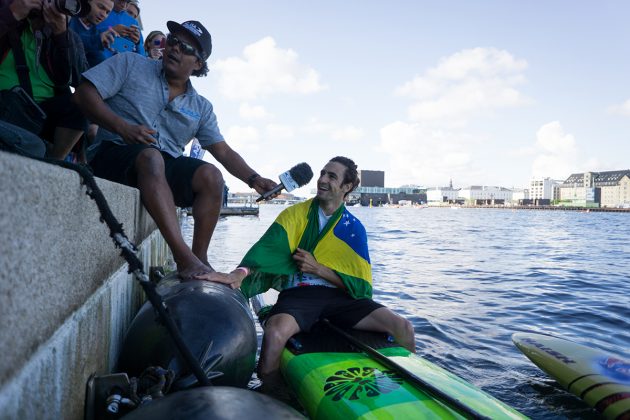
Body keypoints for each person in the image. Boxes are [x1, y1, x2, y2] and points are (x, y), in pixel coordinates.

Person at [72, 19, 278, 281]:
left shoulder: (201, 107)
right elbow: (83, 95)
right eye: (173, 41)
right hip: (113, 153)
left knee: (211, 176)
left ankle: (199, 258)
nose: (175, 49)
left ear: (199, 64)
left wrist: (254, 179)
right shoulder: (130, 64)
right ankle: (184, 260)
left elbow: (223, 151)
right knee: (151, 157)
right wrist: (123, 127)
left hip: (159, 168)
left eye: (186, 48)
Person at [201, 156, 416, 389]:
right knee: (274, 334)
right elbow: (267, 251)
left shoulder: (352, 228)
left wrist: (319, 269)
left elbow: (359, 286)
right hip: (301, 295)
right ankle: (270, 391)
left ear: (347, 187)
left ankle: (411, 386)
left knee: (404, 327)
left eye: (331, 176)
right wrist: (239, 273)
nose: (322, 180)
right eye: (322, 173)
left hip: (340, 298)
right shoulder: (295, 215)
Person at [0, 0, 88, 160]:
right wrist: (12, 14)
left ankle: (55, 163)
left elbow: (79, 82)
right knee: (34, 146)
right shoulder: (7, 10)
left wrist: (61, 35)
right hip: (5, 104)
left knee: (81, 103)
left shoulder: (69, 37)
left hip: (38, 116)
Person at [68, 0, 115, 67]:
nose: (104, 15)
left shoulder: (95, 33)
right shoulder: (68, 16)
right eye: (101, 7)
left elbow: (98, 63)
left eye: (107, 12)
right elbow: (66, 39)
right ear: (88, 1)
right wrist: (96, 41)